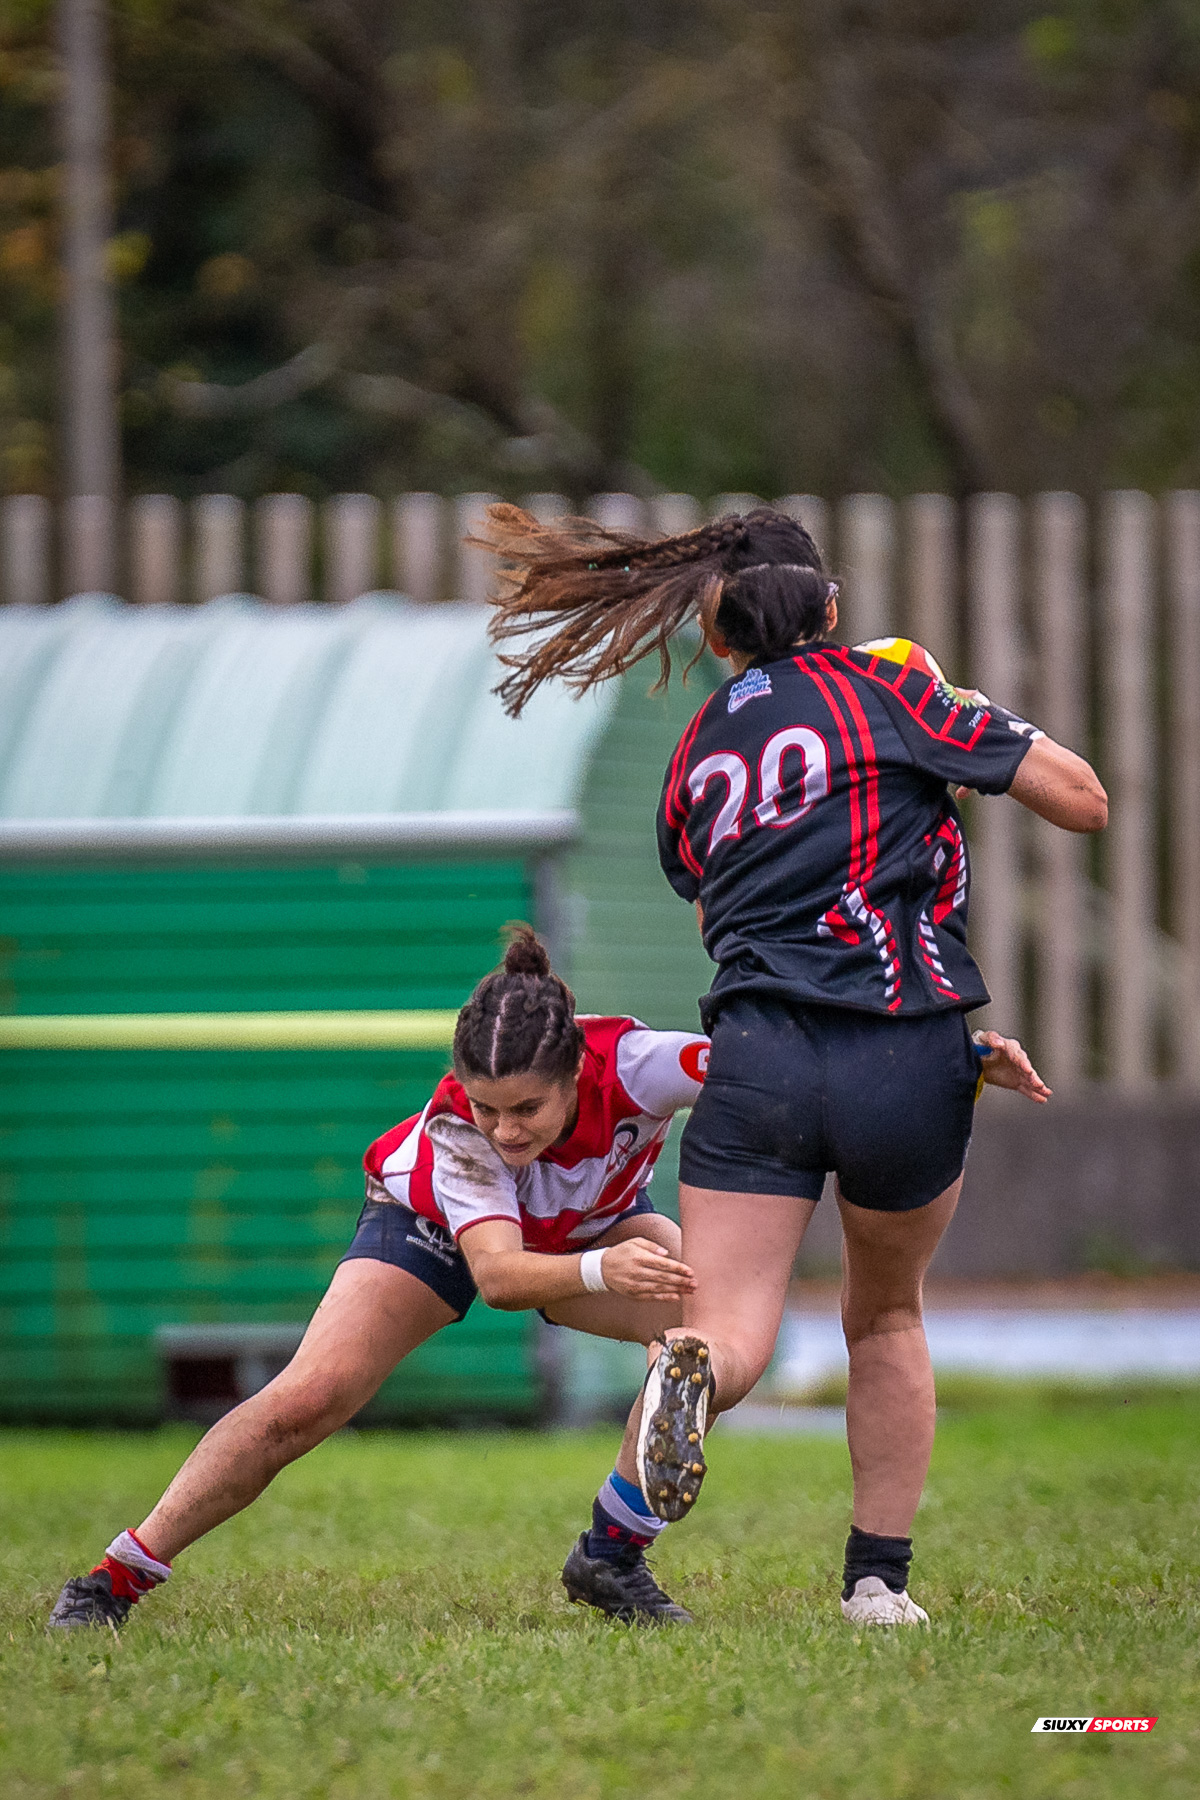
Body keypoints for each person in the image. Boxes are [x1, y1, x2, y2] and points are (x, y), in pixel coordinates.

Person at [477, 501, 1106, 1626]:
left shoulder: (697, 750)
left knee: (727, 1338)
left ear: (719, 639)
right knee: (887, 1317)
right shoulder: (895, 686)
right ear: (833, 608)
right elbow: (1082, 800)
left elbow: (700, 870)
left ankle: (617, 1534)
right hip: (907, 1047)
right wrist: (948, 720)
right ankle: (878, 1583)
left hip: (756, 1055)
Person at [49, 929, 714, 1631]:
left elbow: (756, 1076)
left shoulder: (641, 1063)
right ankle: (112, 1580)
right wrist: (601, 1268)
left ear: (577, 1069)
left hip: (589, 1229)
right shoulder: (459, 1128)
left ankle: (611, 1555)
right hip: (437, 1229)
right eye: (489, 1108)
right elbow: (501, 1276)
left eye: (526, 1110)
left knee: (705, 1332)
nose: (505, 1132)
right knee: (308, 1399)